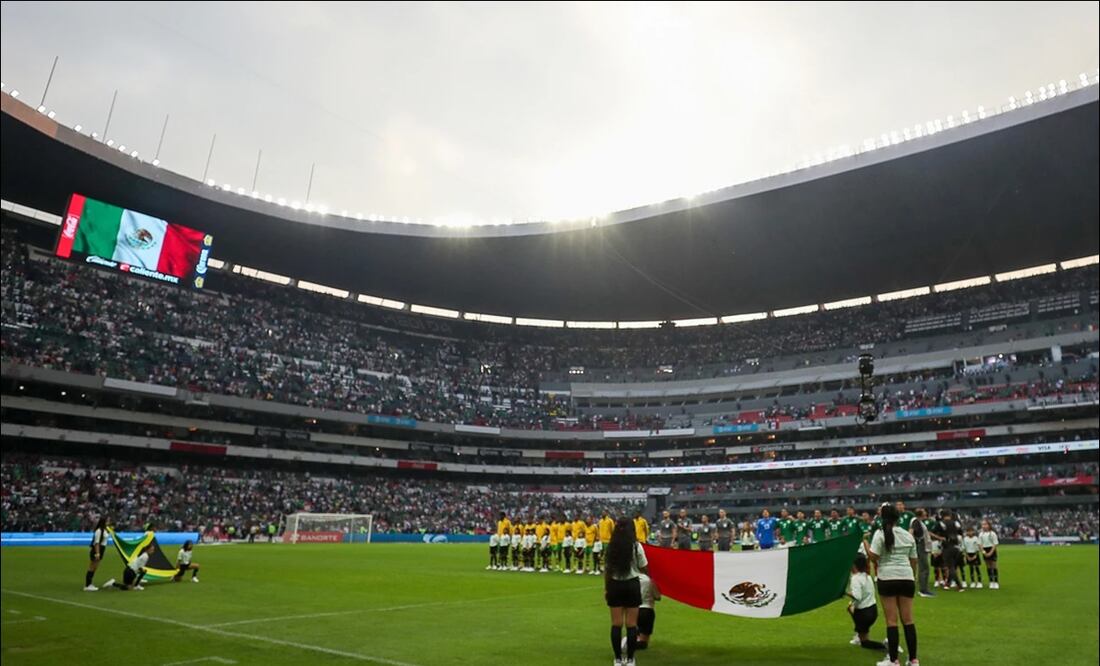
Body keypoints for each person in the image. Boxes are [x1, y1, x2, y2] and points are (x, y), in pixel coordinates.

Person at [868, 503, 920, 666]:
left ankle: (893, 660)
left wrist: (865, 544)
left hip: (887, 577)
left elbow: (874, 557)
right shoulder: (907, 535)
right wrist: (912, 576)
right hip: (906, 578)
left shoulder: (880, 534)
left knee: (891, 621)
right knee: (908, 620)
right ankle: (913, 659)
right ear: (898, 518)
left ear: (882, 517)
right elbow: (913, 560)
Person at [604, 517, 648, 666]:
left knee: (616, 624)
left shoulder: (611, 546)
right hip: (631, 585)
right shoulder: (636, 546)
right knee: (631, 624)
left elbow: (607, 570)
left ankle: (617, 658)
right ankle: (630, 659)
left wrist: (606, 588)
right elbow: (643, 566)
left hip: (615, 585)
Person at [847, 553, 887, 652]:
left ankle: (886, 646)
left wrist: (845, 593)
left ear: (854, 565)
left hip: (864, 613)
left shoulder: (855, 578)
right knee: (850, 608)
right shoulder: (867, 576)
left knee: (865, 643)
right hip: (873, 610)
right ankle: (859, 633)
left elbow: (857, 596)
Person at [910, 508, 935, 597]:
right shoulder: (916, 521)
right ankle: (923, 589)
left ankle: (924, 588)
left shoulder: (919, 522)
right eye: (924, 511)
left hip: (923, 546)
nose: (925, 513)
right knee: (924, 568)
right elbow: (912, 532)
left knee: (924, 568)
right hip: (921, 546)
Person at [636, 572, 660, 650]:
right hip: (647, 609)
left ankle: (630, 643)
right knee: (644, 641)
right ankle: (629, 646)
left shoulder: (633, 579)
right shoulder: (650, 581)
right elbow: (657, 596)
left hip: (634, 610)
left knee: (636, 630)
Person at [85, 516, 109, 591]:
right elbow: (97, 543)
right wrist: (97, 553)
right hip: (97, 550)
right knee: (92, 567)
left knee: (95, 567)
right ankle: (88, 585)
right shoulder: (99, 531)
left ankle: (89, 583)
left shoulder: (104, 530)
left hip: (102, 549)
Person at [979, 519, 1000, 589]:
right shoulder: (981, 534)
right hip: (985, 549)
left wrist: (991, 552)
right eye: (982, 524)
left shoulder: (992, 533)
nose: (984, 526)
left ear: (989, 525)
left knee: (994, 565)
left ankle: (996, 582)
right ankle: (991, 581)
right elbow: (980, 544)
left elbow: (995, 544)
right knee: (988, 566)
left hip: (991, 549)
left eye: (985, 524)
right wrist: (984, 552)